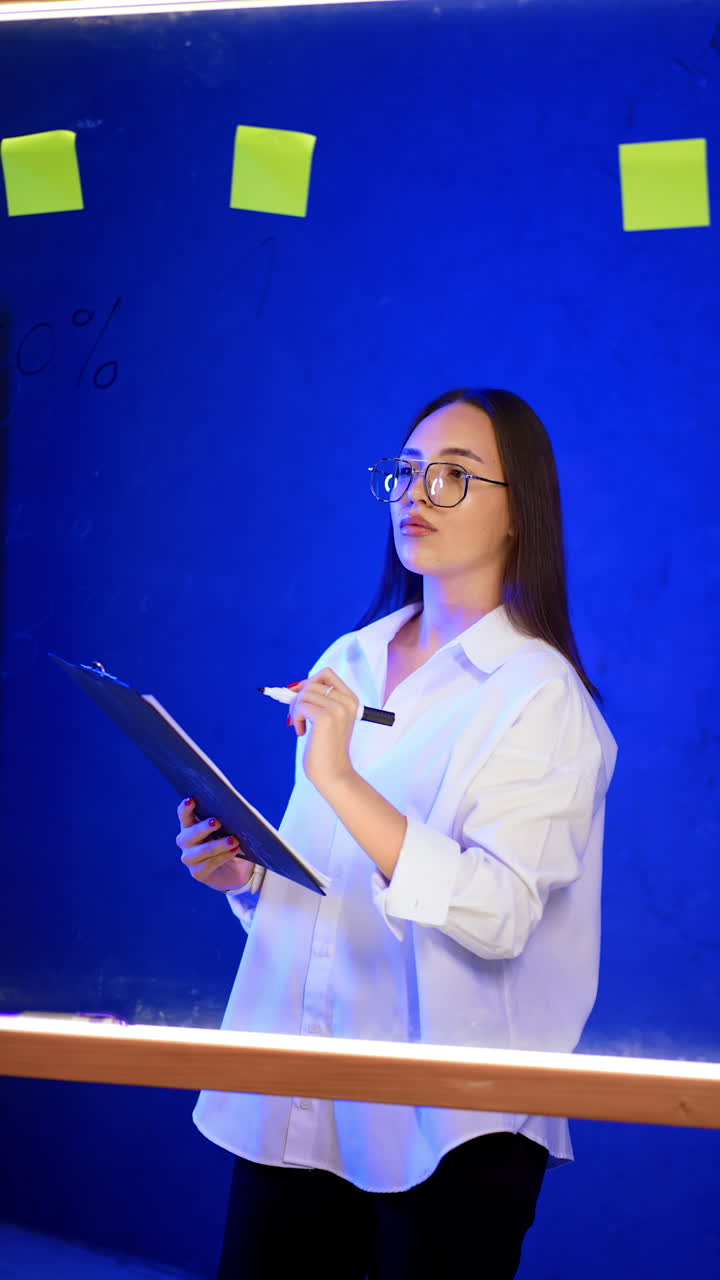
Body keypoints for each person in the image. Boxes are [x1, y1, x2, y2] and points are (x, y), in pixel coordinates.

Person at [177, 387, 618, 1279]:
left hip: (455, 1126)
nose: (416, 495)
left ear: (517, 511)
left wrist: (336, 774)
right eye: (407, 472)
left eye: (455, 476)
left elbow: (498, 914)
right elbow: (333, 884)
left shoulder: (539, 696)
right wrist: (246, 882)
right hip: (301, 1093)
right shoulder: (349, 658)